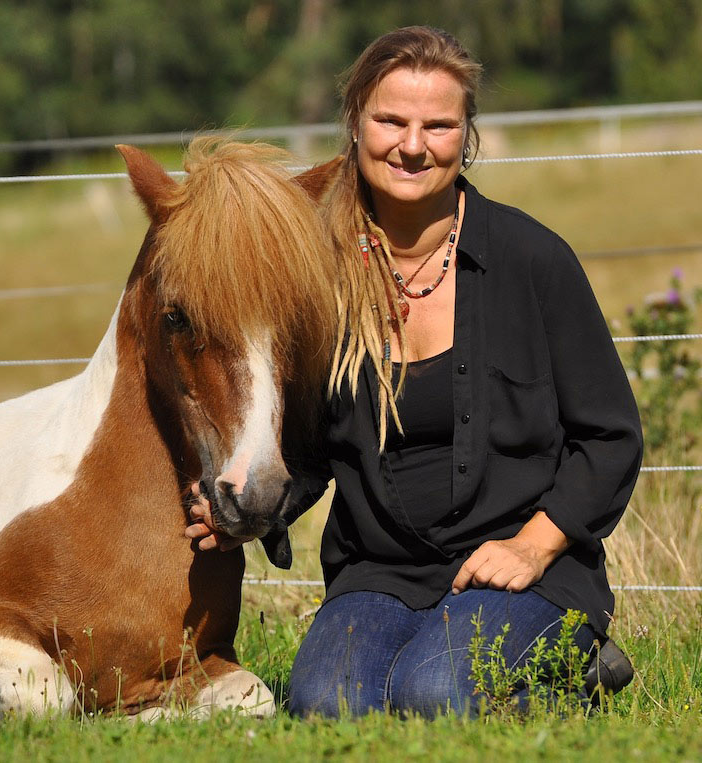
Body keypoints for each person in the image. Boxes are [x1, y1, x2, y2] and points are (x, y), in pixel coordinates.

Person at [186, 25, 642, 717]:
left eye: (438, 125)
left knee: (437, 692)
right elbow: (310, 447)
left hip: (523, 563)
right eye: (390, 120)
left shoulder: (533, 260)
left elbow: (609, 435)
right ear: (355, 123)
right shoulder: (317, 273)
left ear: (467, 134)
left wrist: (532, 545)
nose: (412, 144)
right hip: (380, 569)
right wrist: (250, 510)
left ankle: (576, 668)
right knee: (329, 702)